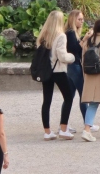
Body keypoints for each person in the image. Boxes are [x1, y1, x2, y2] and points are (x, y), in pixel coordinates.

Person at [36, 9, 75, 139]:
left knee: (46, 101)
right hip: (58, 70)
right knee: (68, 97)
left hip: (46, 71)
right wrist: (72, 57)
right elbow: (62, 56)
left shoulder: (43, 36)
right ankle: (63, 128)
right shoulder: (61, 36)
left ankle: (47, 132)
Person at [65, 9, 91, 125]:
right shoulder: (70, 33)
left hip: (71, 66)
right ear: (73, 19)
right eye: (79, 19)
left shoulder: (72, 33)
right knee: (83, 95)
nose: (82, 21)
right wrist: (85, 39)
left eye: (82, 19)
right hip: (74, 66)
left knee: (69, 96)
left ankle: (64, 124)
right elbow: (74, 49)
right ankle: (88, 122)